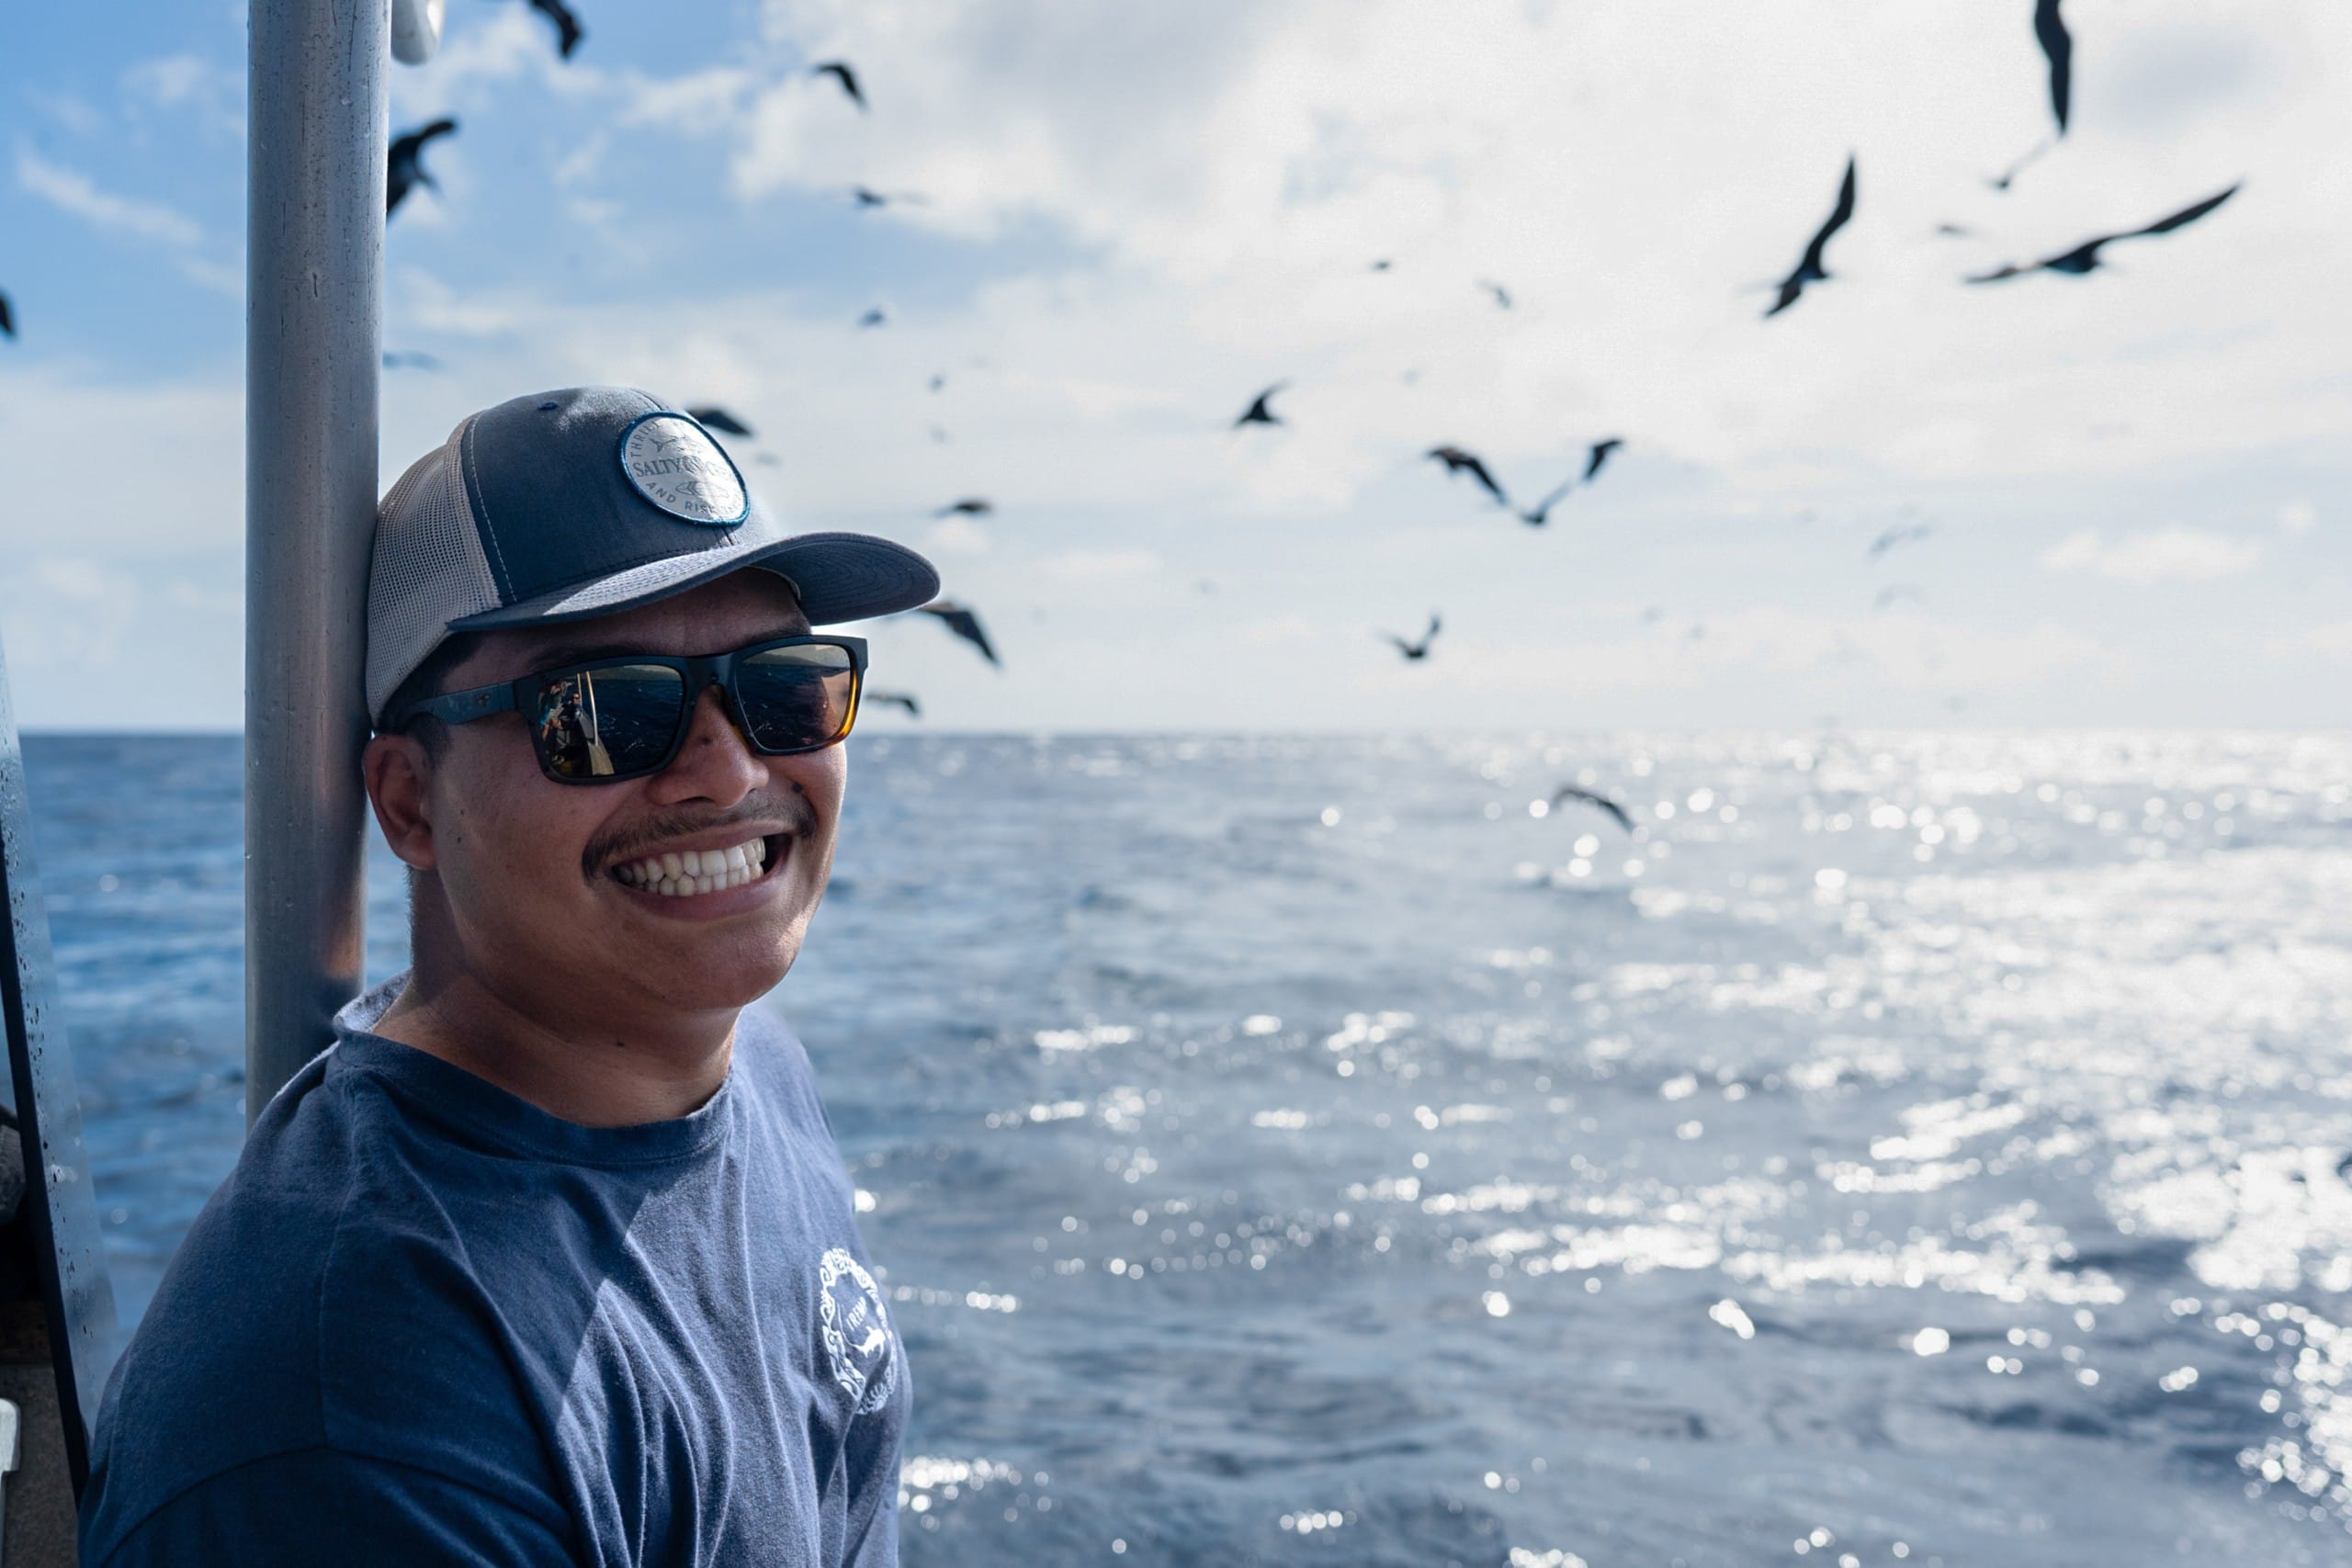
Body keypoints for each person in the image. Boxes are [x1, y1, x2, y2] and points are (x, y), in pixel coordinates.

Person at [79, 387, 940, 1565]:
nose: (728, 770)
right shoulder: (366, 1420)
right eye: (600, 712)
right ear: (409, 801)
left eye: (784, 686)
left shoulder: (753, 1068)